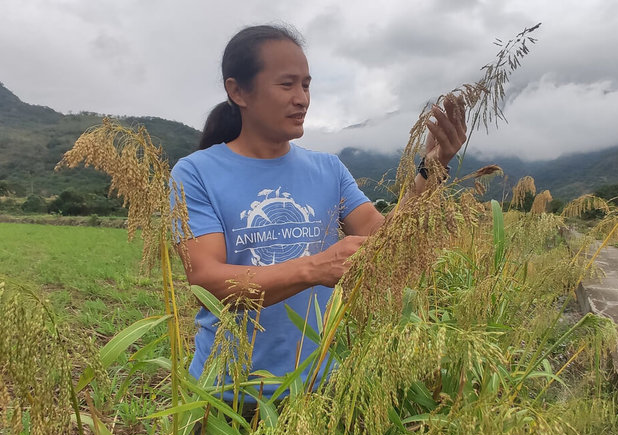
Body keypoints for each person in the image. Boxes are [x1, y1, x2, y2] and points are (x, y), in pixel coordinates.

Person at [170, 24, 466, 401]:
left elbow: (387, 245)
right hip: (227, 395)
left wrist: (431, 168)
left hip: (317, 390)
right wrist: (315, 267)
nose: (302, 99)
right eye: (287, 85)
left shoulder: (328, 169)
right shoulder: (195, 172)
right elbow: (206, 282)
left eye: (306, 85)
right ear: (238, 91)